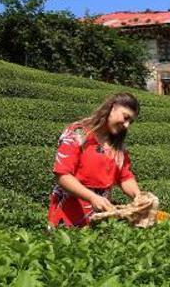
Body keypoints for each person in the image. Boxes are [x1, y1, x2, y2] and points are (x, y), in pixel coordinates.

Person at [48, 92, 142, 228]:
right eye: (125, 117)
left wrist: (138, 196)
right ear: (112, 108)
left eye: (130, 122)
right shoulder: (77, 133)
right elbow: (62, 175)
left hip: (100, 216)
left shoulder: (117, 145)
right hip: (69, 212)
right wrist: (92, 197)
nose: (127, 125)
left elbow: (125, 176)